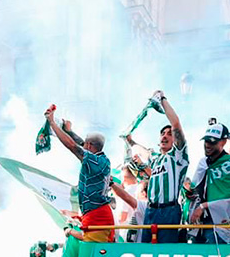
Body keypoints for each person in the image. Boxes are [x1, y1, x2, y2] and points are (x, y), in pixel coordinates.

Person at [124, 89, 188, 243]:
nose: (165, 136)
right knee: (147, 249)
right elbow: (143, 152)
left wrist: (162, 99)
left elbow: (176, 124)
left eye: (169, 134)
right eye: (162, 134)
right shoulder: (155, 159)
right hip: (151, 210)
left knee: (165, 251)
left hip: (169, 210)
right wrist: (129, 140)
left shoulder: (177, 156)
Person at [44, 104, 114, 242]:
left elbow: (72, 146)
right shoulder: (99, 158)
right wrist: (69, 131)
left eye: (86, 145)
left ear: (89, 146)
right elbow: (80, 144)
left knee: (93, 250)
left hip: (98, 215)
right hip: (95, 213)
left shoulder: (96, 161)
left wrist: (52, 123)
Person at [187, 121, 230, 244]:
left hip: (221, 224)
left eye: (212, 142)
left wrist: (203, 206)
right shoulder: (203, 162)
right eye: (206, 141)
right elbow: (195, 188)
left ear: (223, 142)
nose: (207, 145)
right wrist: (190, 193)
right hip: (199, 222)